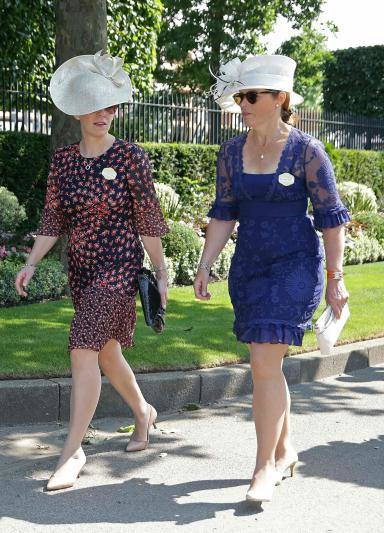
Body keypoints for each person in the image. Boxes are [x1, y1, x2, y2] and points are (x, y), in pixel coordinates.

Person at [196, 55, 350, 503]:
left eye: (251, 95)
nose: (241, 103)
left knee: (264, 360)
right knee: (268, 364)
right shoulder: (229, 152)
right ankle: (284, 451)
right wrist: (206, 264)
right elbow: (224, 213)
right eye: (240, 96)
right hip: (250, 267)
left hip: (294, 265)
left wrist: (334, 278)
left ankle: (263, 467)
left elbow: (331, 219)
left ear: (280, 98)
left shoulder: (307, 151)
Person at [15, 51, 169, 491]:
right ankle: (142, 412)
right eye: (97, 105)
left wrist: (159, 272)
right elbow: (52, 218)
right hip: (82, 271)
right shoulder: (64, 161)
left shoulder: (130, 158)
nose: (105, 114)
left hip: (118, 268)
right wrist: (30, 261)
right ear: (79, 109)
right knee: (105, 352)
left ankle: (73, 450)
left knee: (83, 346)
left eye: (112, 106)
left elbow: (149, 220)